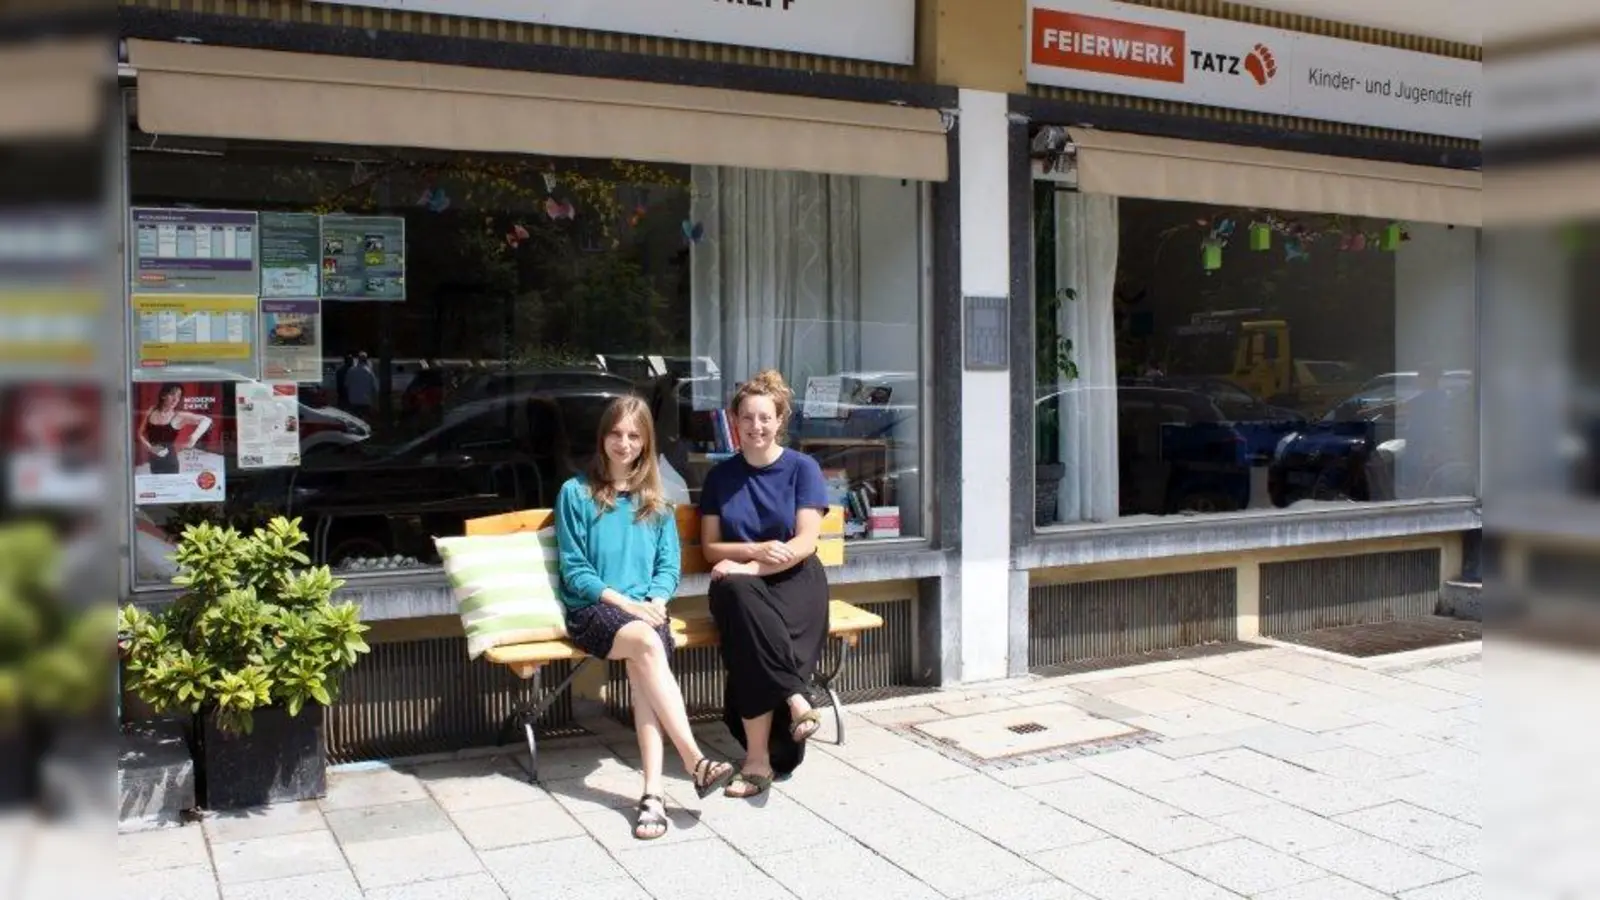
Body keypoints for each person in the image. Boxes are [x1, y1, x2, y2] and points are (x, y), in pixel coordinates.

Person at [554, 395, 735, 840]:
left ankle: (652, 795)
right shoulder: (575, 493)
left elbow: (667, 567)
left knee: (647, 665)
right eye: (616, 433)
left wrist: (654, 599)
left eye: (634, 435)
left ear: (646, 443)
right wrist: (627, 604)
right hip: (595, 610)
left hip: (644, 613)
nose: (624, 442)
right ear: (602, 437)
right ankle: (695, 761)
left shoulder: (656, 502)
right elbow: (575, 570)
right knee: (650, 644)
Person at [699, 369, 830, 799]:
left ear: (779, 421)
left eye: (765, 418)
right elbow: (711, 548)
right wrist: (753, 554)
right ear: (734, 422)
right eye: (747, 418)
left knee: (746, 637)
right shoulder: (720, 477)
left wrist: (752, 568)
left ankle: (761, 760)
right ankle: (794, 698)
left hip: (795, 582)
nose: (756, 427)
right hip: (737, 586)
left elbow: (807, 541)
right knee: (736, 597)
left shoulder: (802, 468)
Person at [136, 383, 212, 475]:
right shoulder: (151, 410)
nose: (175, 399)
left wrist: (194, 436)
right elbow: (140, 433)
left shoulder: (179, 416)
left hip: (170, 462)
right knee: (156, 487)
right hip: (154, 460)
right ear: (163, 395)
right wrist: (150, 448)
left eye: (179, 396)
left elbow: (207, 420)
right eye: (172, 394)